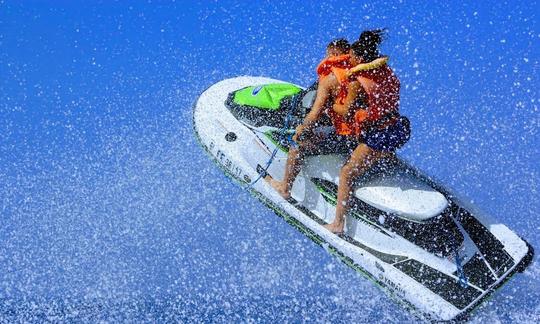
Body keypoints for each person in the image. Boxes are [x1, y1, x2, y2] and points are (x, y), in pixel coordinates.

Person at [266, 29, 410, 234]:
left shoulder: (348, 82)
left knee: (341, 170)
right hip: (398, 129)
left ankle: (330, 219)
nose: (348, 60)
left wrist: (322, 112)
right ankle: (384, 157)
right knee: (367, 142)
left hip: (377, 136)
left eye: (350, 56)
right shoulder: (385, 72)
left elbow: (328, 113)